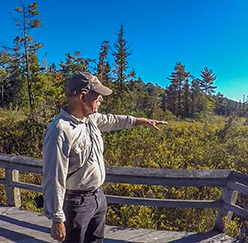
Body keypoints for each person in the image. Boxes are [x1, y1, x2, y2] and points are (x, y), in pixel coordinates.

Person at [42, 72, 167, 243]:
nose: (101, 99)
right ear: (83, 96)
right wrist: (57, 218)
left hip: (98, 197)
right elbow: (53, 177)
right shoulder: (60, 131)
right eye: (98, 95)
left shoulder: (90, 119)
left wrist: (141, 121)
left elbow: (113, 120)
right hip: (76, 203)